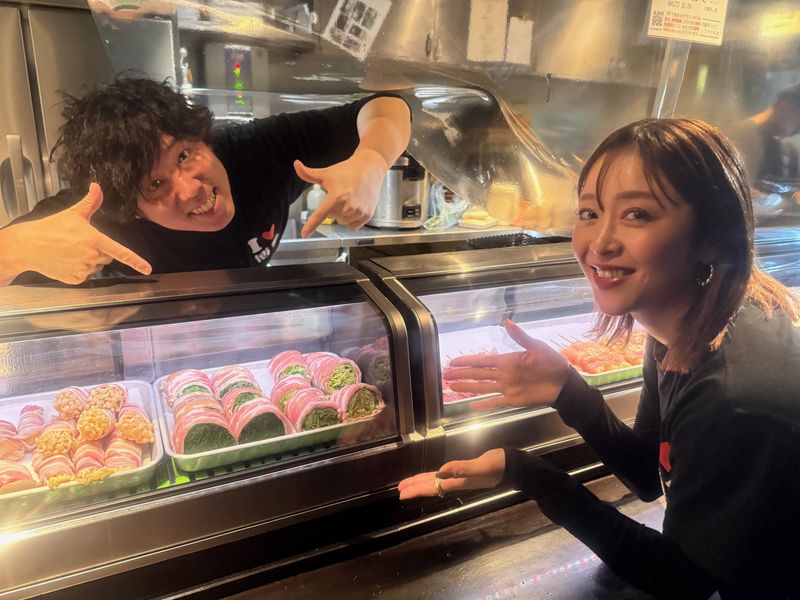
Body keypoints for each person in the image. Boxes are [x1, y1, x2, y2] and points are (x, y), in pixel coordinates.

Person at [399, 118, 800, 598]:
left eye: (637, 214)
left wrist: (530, 476)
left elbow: (680, 580)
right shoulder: (677, 324)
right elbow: (650, 474)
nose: (600, 242)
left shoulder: (732, 396)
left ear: (710, 235)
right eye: (589, 212)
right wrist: (565, 390)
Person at [0, 76, 411, 286]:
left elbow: (387, 106)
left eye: (183, 155)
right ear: (131, 208)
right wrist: (15, 250)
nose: (191, 187)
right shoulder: (96, 212)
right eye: (155, 185)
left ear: (201, 137)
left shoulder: (256, 151)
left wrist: (371, 162)